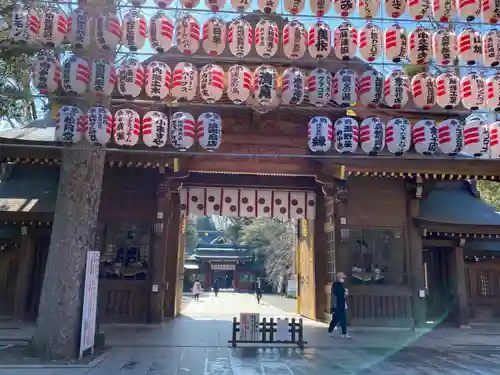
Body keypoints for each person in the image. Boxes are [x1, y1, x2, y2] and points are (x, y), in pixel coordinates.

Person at [328, 272, 351, 339]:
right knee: (336, 319)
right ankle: (330, 330)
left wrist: (345, 293)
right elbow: (337, 294)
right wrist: (344, 292)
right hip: (337, 304)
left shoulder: (341, 284)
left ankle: (344, 333)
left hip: (341, 304)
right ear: (339, 278)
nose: (343, 279)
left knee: (343, 318)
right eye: (342, 278)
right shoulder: (335, 285)